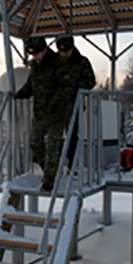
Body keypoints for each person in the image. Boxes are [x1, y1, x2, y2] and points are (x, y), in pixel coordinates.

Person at [15, 36, 76, 191]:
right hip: (40, 113)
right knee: (34, 143)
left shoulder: (58, 64)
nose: (35, 57)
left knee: (52, 146)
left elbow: (67, 86)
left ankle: (50, 180)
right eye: (32, 54)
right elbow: (31, 85)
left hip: (56, 113)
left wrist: (57, 102)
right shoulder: (35, 66)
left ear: (44, 50)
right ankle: (49, 169)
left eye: (37, 53)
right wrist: (18, 94)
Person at [56, 35, 96, 169]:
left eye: (66, 51)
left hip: (74, 103)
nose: (64, 54)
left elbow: (91, 81)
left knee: (72, 134)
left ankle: (72, 165)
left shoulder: (82, 62)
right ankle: (54, 165)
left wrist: (74, 86)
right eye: (61, 51)